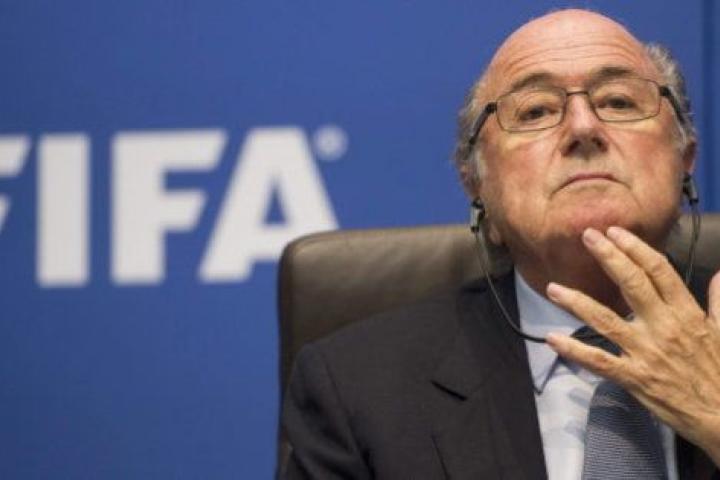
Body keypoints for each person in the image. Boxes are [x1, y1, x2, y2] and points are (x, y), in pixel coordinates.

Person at [281, 8, 720, 479]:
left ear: (685, 158)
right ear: (477, 186)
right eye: (535, 111)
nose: (583, 128)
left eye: (618, 101)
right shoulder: (358, 388)